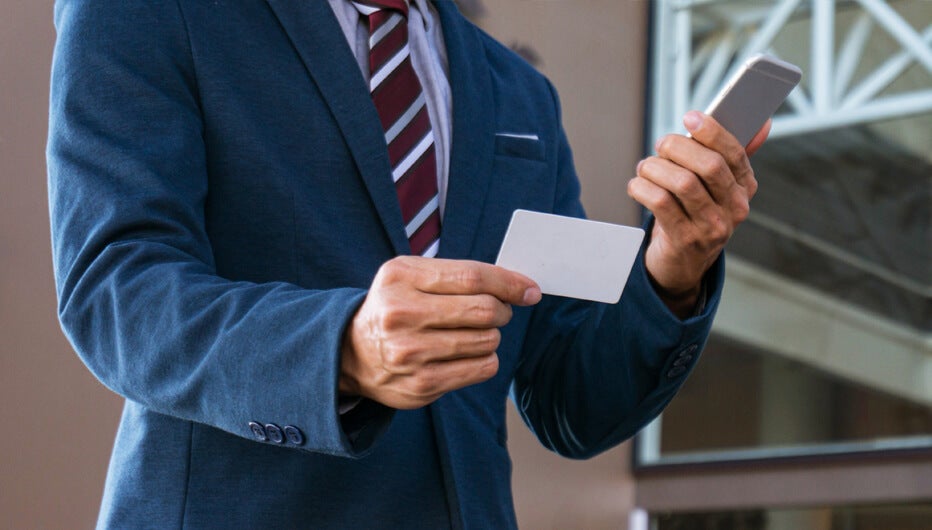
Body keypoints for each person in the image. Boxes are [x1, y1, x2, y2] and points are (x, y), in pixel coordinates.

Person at [47, 1, 767, 528]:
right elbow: (118, 290)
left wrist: (673, 266)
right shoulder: (150, 12)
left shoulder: (518, 93)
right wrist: (344, 348)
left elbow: (570, 402)